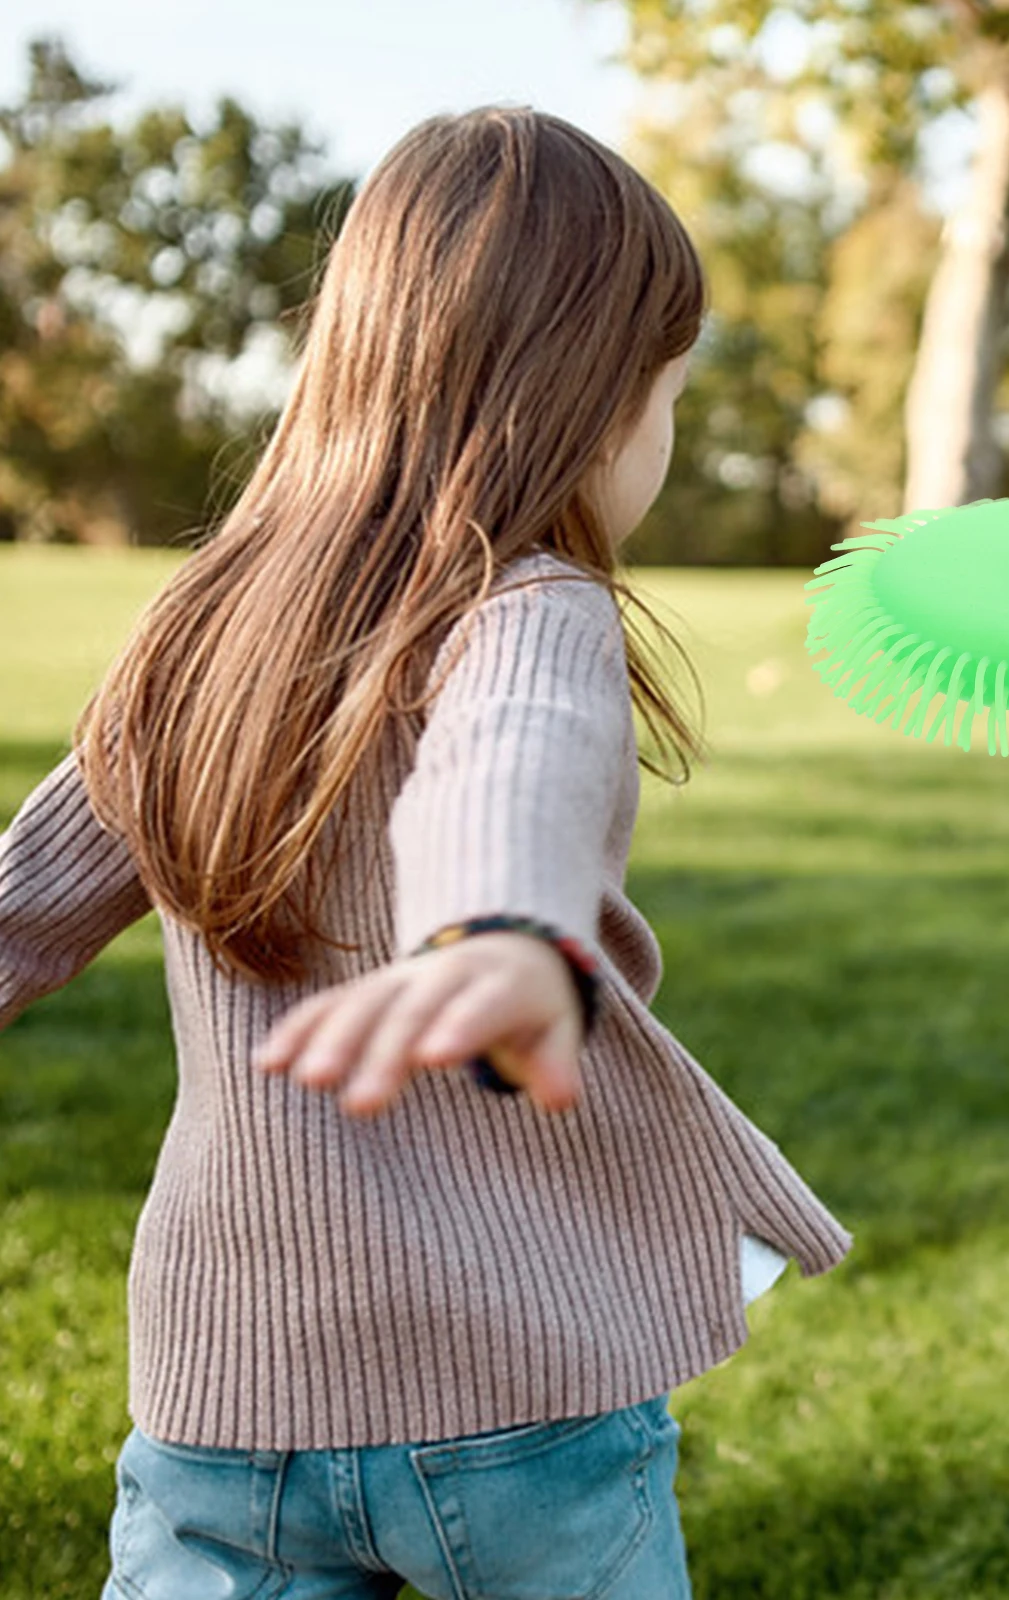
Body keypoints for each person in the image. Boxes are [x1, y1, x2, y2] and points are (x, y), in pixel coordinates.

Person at [0, 108, 850, 1599]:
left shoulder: (200, 628)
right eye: (669, 400)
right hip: (516, 1397)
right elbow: (511, 755)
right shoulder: (535, 606)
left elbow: (24, 909)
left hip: (227, 1404)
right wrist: (500, 931)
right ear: (592, 402)